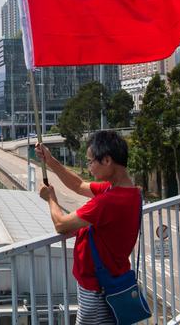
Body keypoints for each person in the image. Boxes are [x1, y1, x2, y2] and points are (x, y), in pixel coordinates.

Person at [35, 130, 141, 325]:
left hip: (97, 289)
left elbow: (61, 224)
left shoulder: (109, 202)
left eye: (91, 161)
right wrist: (50, 161)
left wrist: (50, 198)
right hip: (111, 279)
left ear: (107, 160)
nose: (89, 167)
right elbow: (78, 185)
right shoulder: (128, 191)